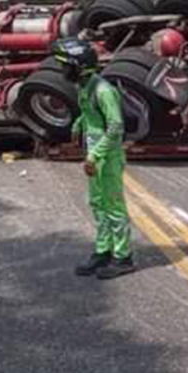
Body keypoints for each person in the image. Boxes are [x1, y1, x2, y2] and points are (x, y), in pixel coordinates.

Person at [51, 39, 136, 280]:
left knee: (114, 207)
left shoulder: (103, 90)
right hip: (94, 156)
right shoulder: (84, 86)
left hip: (107, 157)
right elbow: (90, 114)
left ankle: (123, 257)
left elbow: (116, 126)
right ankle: (103, 251)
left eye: (65, 66)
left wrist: (95, 155)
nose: (62, 71)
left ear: (79, 66)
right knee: (98, 205)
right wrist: (79, 124)